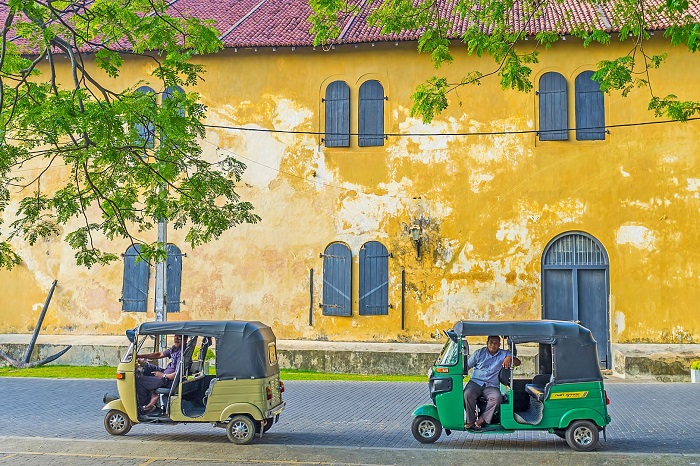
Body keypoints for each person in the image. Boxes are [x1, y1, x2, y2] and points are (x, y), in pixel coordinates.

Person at [463, 335, 520, 430]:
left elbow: (518, 362)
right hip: (476, 382)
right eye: (491, 343)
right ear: (487, 343)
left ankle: (482, 419)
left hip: (492, 385)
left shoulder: (504, 353)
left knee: (497, 398)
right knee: (467, 394)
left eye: (495, 343)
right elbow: (466, 367)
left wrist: (510, 358)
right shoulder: (479, 353)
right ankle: (470, 421)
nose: (493, 345)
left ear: (499, 344)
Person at [135, 334, 182, 413]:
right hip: (164, 373)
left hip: (168, 380)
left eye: (179, 337)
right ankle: (152, 393)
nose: (176, 339)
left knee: (139, 380)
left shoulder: (181, 353)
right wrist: (139, 356)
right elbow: (159, 354)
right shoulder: (175, 348)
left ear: (185, 339)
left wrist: (162, 375)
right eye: (175, 336)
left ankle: (147, 407)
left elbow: (176, 375)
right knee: (146, 367)